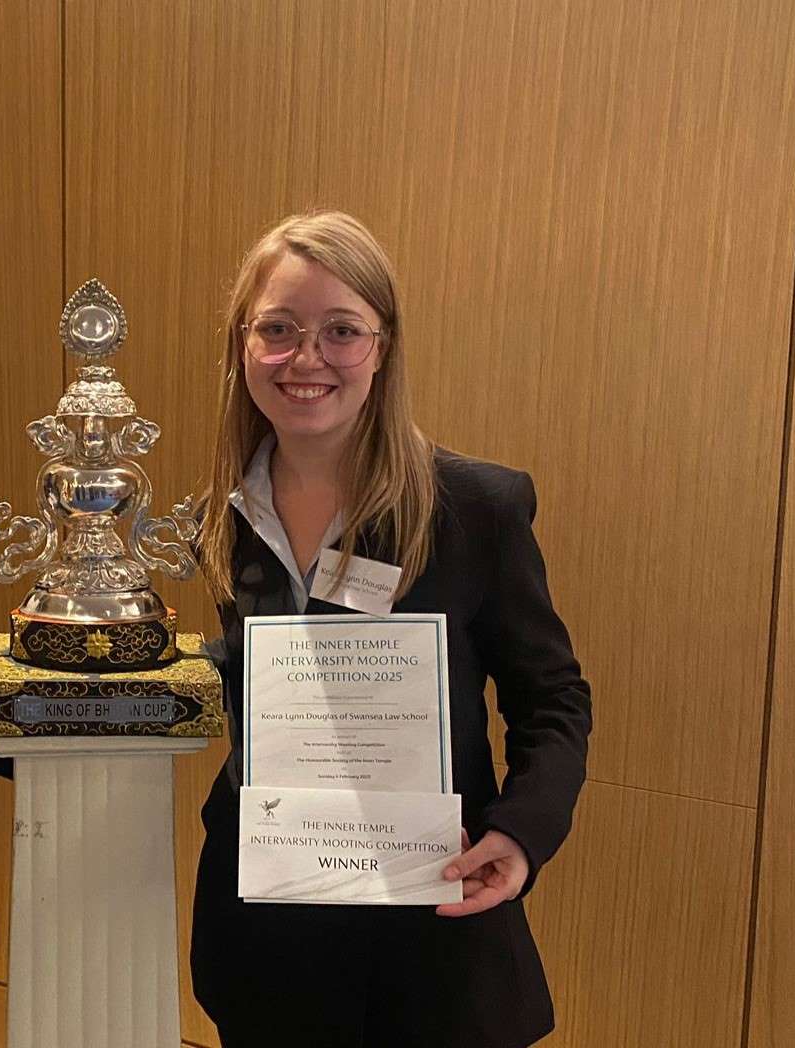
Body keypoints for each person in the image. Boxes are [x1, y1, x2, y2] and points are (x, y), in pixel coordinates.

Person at [190, 211, 592, 1047]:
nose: (306, 360)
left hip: (431, 937)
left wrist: (519, 835)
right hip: (267, 933)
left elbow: (552, 700)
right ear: (241, 343)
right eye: (278, 329)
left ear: (383, 345)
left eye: (342, 330)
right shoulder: (219, 516)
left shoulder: (473, 508)